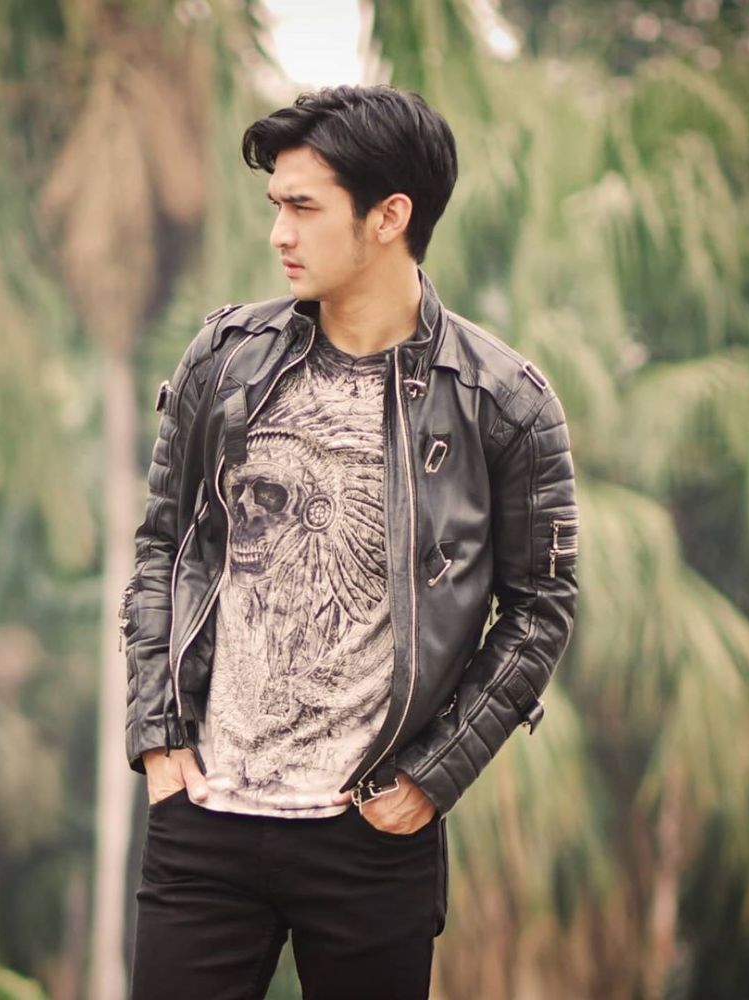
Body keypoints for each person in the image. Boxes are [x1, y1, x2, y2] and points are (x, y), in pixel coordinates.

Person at [121, 85, 578, 1000]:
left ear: (389, 217)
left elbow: (539, 610)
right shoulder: (225, 359)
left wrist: (432, 778)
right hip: (206, 820)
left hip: (371, 835)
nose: (278, 233)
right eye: (275, 206)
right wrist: (159, 737)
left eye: (303, 207)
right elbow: (164, 546)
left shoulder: (502, 403)